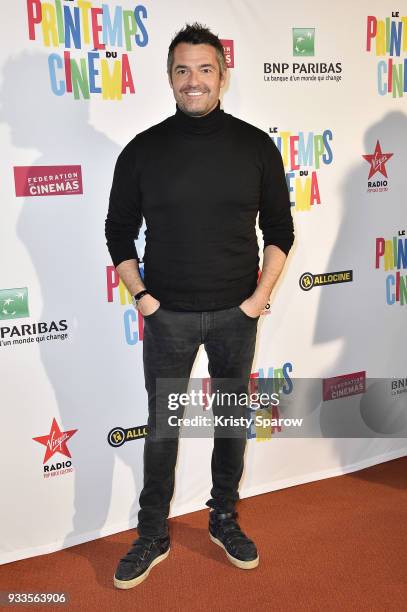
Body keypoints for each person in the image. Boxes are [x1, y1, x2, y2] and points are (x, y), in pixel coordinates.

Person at [105, 22, 294, 589]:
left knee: (231, 422)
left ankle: (224, 517)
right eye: (182, 70)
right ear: (169, 78)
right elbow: (118, 233)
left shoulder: (256, 146)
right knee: (162, 429)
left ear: (223, 75)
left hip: (238, 315)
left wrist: (258, 299)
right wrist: (142, 297)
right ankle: (152, 532)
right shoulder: (142, 150)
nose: (194, 81)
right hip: (169, 318)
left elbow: (281, 230)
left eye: (204, 69)